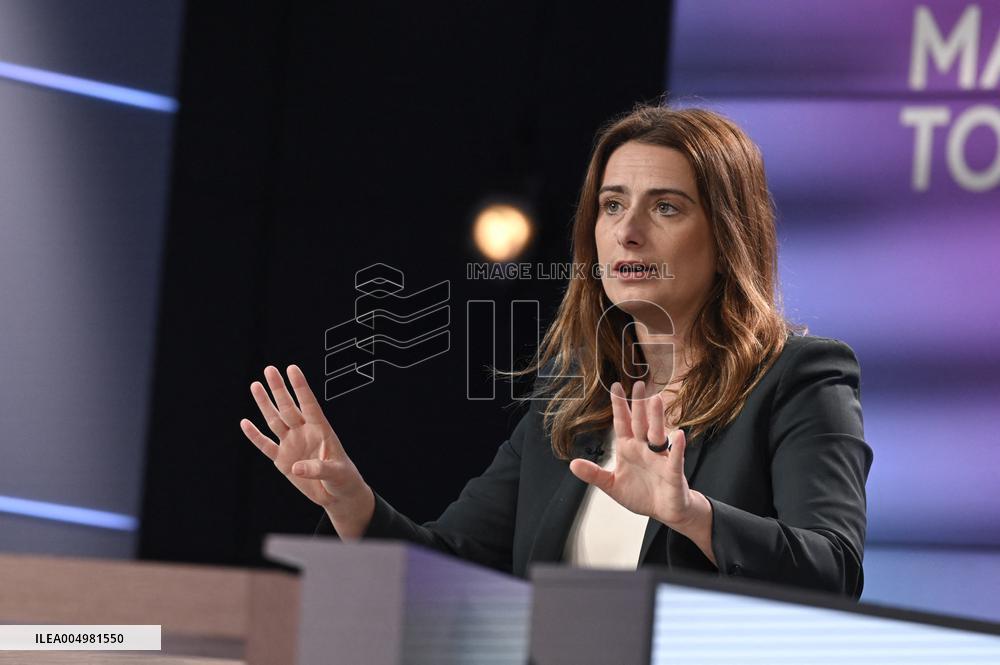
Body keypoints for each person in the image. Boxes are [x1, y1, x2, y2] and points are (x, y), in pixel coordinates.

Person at [240, 103, 873, 599]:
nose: (628, 231)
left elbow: (833, 572)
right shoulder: (571, 399)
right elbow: (453, 564)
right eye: (612, 205)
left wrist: (692, 514)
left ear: (729, 235)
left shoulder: (798, 378)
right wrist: (351, 501)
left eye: (666, 207)